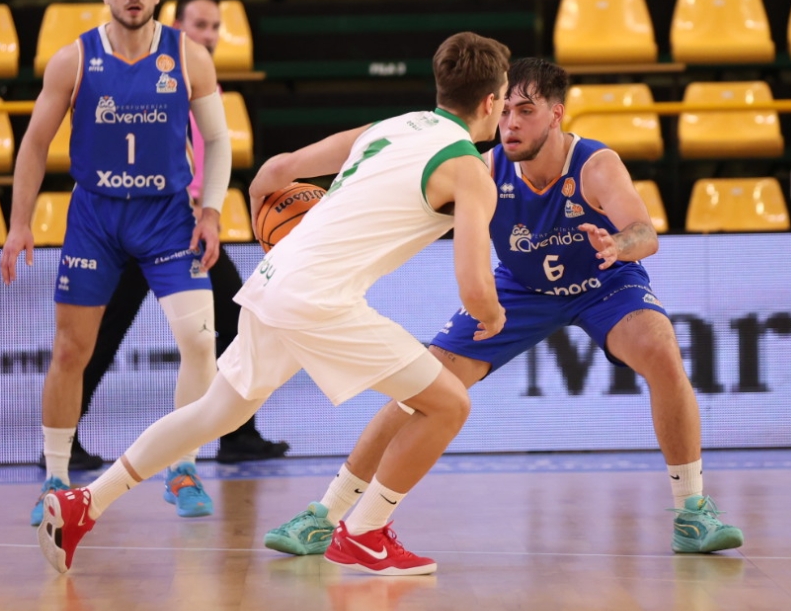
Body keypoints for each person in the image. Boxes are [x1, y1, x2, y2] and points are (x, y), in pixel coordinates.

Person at [38, 32, 511, 577]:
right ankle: (365, 533)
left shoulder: (393, 126)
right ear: (491, 102)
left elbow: (275, 172)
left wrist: (274, 228)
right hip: (320, 299)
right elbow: (474, 289)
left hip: (275, 278)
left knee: (216, 413)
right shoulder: (470, 171)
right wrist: (493, 315)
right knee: (449, 405)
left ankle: (85, 502)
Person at [262, 57, 744, 558]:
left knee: (662, 352)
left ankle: (692, 511)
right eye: (506, 110)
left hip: (603, 281)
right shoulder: (483, 168)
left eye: (526, 111)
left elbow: (645, 233)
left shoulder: (596, 165)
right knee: (417, 389)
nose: (511, 123)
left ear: (556, 114)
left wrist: (618, 245)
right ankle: (324, 515)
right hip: (520, 288)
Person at [2, 0, 233, 526]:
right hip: (96, 218)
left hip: (166, 216)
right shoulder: (74, 60)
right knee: (70, 350)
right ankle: (56, 477)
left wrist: (210, 211)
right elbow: (34, 144)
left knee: (200, 342)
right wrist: (19, 223)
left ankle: (183, 469)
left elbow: (218, 140)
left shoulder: (189, 57)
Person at [72, 0, 291, 467]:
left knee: (233, 318)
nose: (209, 36)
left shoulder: (204, 84)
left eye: (215, 27)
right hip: (152, 222)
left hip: (185, 224)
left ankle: (236, 433)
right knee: (105, 333)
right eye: (200, 25)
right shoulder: (156, 81)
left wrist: (205, 210)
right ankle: (63, 438)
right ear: (176, 28)